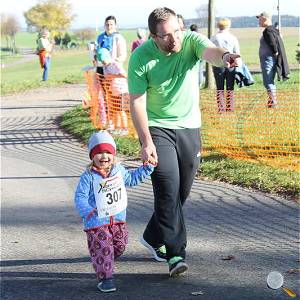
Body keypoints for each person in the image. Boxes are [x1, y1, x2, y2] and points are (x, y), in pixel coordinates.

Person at [128, 7, 240, 277]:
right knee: (168, 188)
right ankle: (175, 252)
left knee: (182, 191)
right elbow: (137, 102)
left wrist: (225, 56)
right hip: (158, 127)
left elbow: (209, 51)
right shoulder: (141, 57)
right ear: (153, 37)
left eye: (177, 31)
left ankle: (153, 235)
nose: (174, 40)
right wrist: (145, 142)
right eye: (166, 36)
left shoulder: (190, 41)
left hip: (189, 126)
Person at [74, 130, 155, 293]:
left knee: (120, 245)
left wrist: (147, 168)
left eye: (107, 152)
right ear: (92, 156)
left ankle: (105, 257)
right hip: (96, 221)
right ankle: (106, 278)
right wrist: (88, 211)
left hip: (117, 219)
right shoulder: (88, 176)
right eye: (98, 153)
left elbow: (132, 179)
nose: (103, 156)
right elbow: (80, 196)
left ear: (113, 154)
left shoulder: (119, 171)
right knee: (103, 246)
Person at [94, 16, 128, 132]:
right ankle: (109, 122)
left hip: (114, 73)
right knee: (103, 98)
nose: (109, 27)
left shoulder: (118, 38)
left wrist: (112, 63)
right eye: (107, 24)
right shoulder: (100, 38)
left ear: (115, 25)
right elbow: (98, 53)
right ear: (104, 25)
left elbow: (122, 56)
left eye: (111, 24)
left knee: (115, 100)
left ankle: (120, 125)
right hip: (101, 71)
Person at [257, 11, 289, 108]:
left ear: (266, 19)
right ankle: (272, 102)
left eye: (260, 19)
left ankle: (273, 103)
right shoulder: (274, 30)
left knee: (268, 82)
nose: (259, 21)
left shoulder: (267, 31)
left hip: (268, 60)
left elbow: (273, 44)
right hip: (271, 59)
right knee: (270, 81)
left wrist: (275, 52)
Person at [210, 18, 240, 112]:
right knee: (230, 86)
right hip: (231, 62)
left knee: (219, 86)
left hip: (218, 63)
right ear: (228, 26)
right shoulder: (233, 37)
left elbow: (210, 51)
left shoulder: (214, 37)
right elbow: (237, 52)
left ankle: (221, 108)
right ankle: (230, 107)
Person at [190, 23, 205, 88]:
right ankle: (199, 84)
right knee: (200, 70)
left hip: (192, 55)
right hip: (200, 55)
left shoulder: (189, 36)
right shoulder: (200, 36)